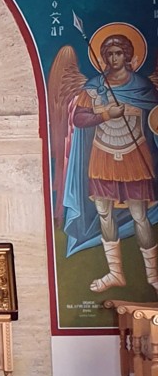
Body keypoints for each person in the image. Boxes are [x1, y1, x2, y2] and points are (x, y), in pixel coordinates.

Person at [61, 33, 158, 293]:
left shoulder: (142, 87)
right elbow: (79, 119)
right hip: (102, 154)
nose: (114, 58)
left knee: (140, 215)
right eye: (109, 54)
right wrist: (105, 114)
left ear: (127, 55)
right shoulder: (94, 86)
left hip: (134, 155)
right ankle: (116, 273)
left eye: (118, 53)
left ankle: (153, 275)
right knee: (105, 213)